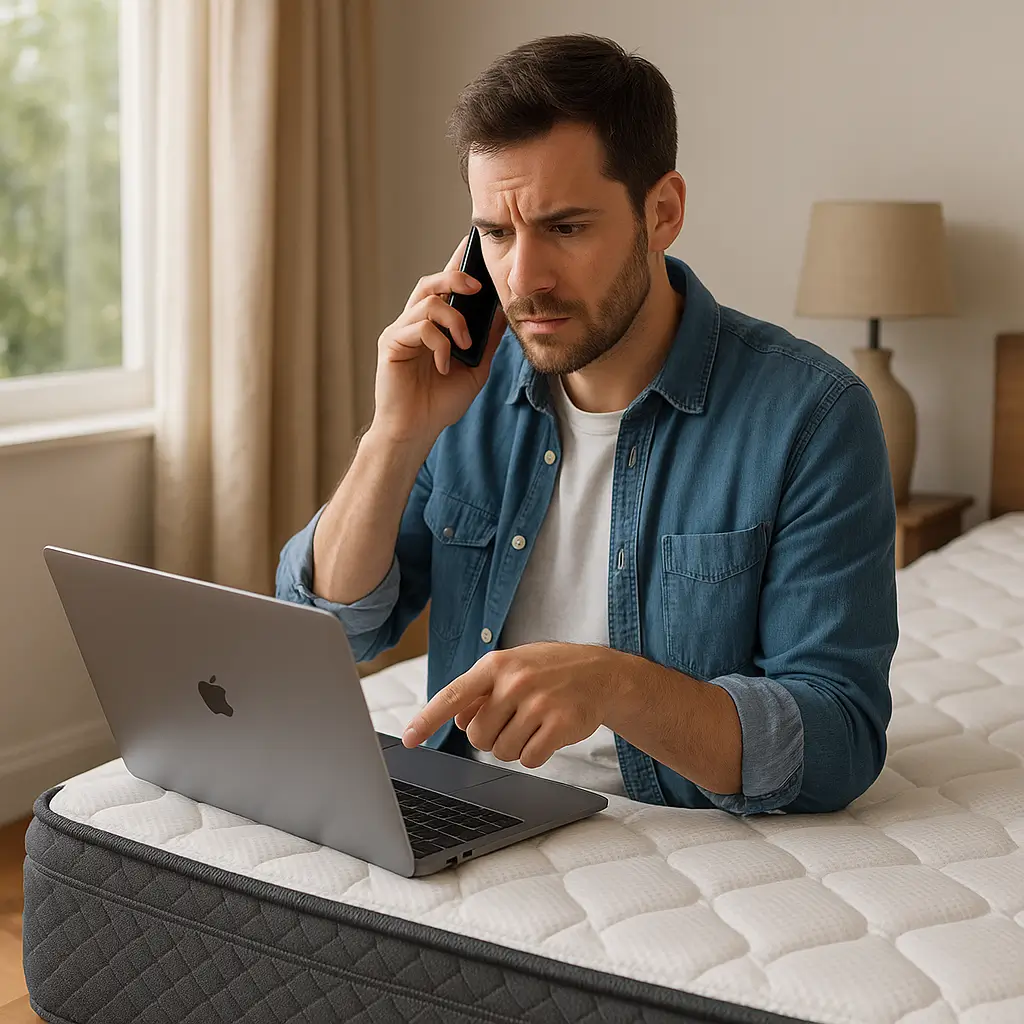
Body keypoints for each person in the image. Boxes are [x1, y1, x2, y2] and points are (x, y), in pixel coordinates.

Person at [276, 33, 898, 815]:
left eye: (565, 228)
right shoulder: (465, 392)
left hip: (677, 829)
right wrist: (394, 436)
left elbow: (838, 739)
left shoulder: (812, 416)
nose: (523, 280)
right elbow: (331, 630)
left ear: (662, 212)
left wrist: (614, 683)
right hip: (469, 808)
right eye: (497, 235)